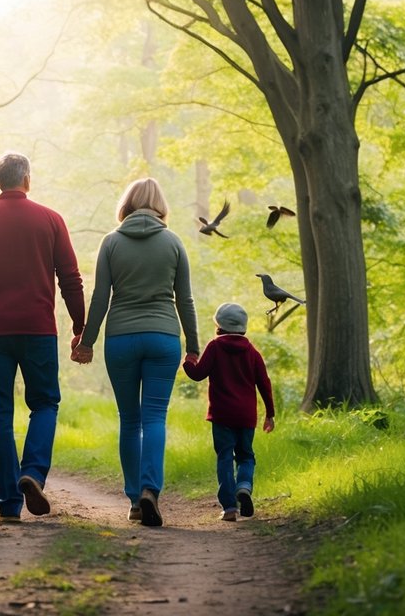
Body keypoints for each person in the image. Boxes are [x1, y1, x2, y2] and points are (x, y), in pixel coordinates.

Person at [0, 152, 85, 521]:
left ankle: (9, 503)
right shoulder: (51, 220)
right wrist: (79, 327)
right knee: (44, 405)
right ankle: (32, 472)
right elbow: (71, 279)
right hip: (38, 330)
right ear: (28, 179)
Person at [71, 177, 198, 527]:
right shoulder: (173, 242)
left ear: (126, 205)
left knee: (130, 420)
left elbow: (100, 297)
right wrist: (194, 347)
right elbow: (185, 299)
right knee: (155, 417)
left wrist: (87, 342)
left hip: (122, 338)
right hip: (163, 337)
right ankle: (149, 490)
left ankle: (134, 501)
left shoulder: (111, 242)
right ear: (160, 206)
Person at [182, 302, 275, 521]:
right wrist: (270, 413)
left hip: (222, 415)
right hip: (246, 416)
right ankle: (244, 486)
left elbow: (198, 374)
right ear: (244, 327)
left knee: (224, 456)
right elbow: (264, 384)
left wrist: (188, 362)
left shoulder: (215, 347)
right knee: (246, 456)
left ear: (219, 325)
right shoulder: (252, 352)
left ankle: (230, 507)